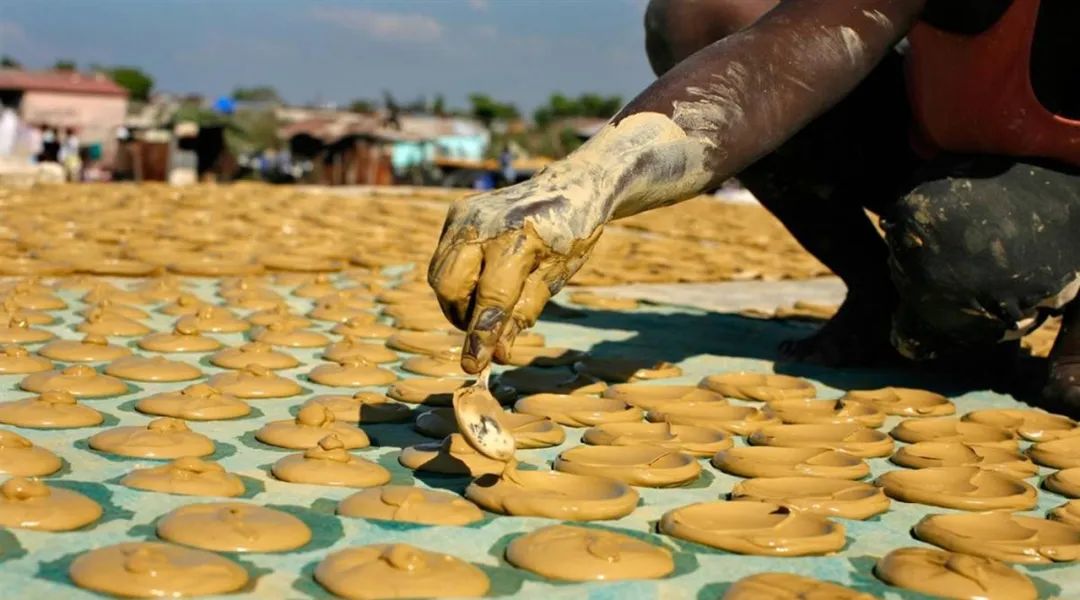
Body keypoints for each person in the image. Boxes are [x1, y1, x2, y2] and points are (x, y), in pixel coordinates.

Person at [427, 0, 1080, 410]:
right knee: (702, 12)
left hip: (1051, 191)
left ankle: (975, 322)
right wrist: (589, 181)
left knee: (964, 244)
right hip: (937, 138)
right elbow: (782, 63)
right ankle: (881, 298)